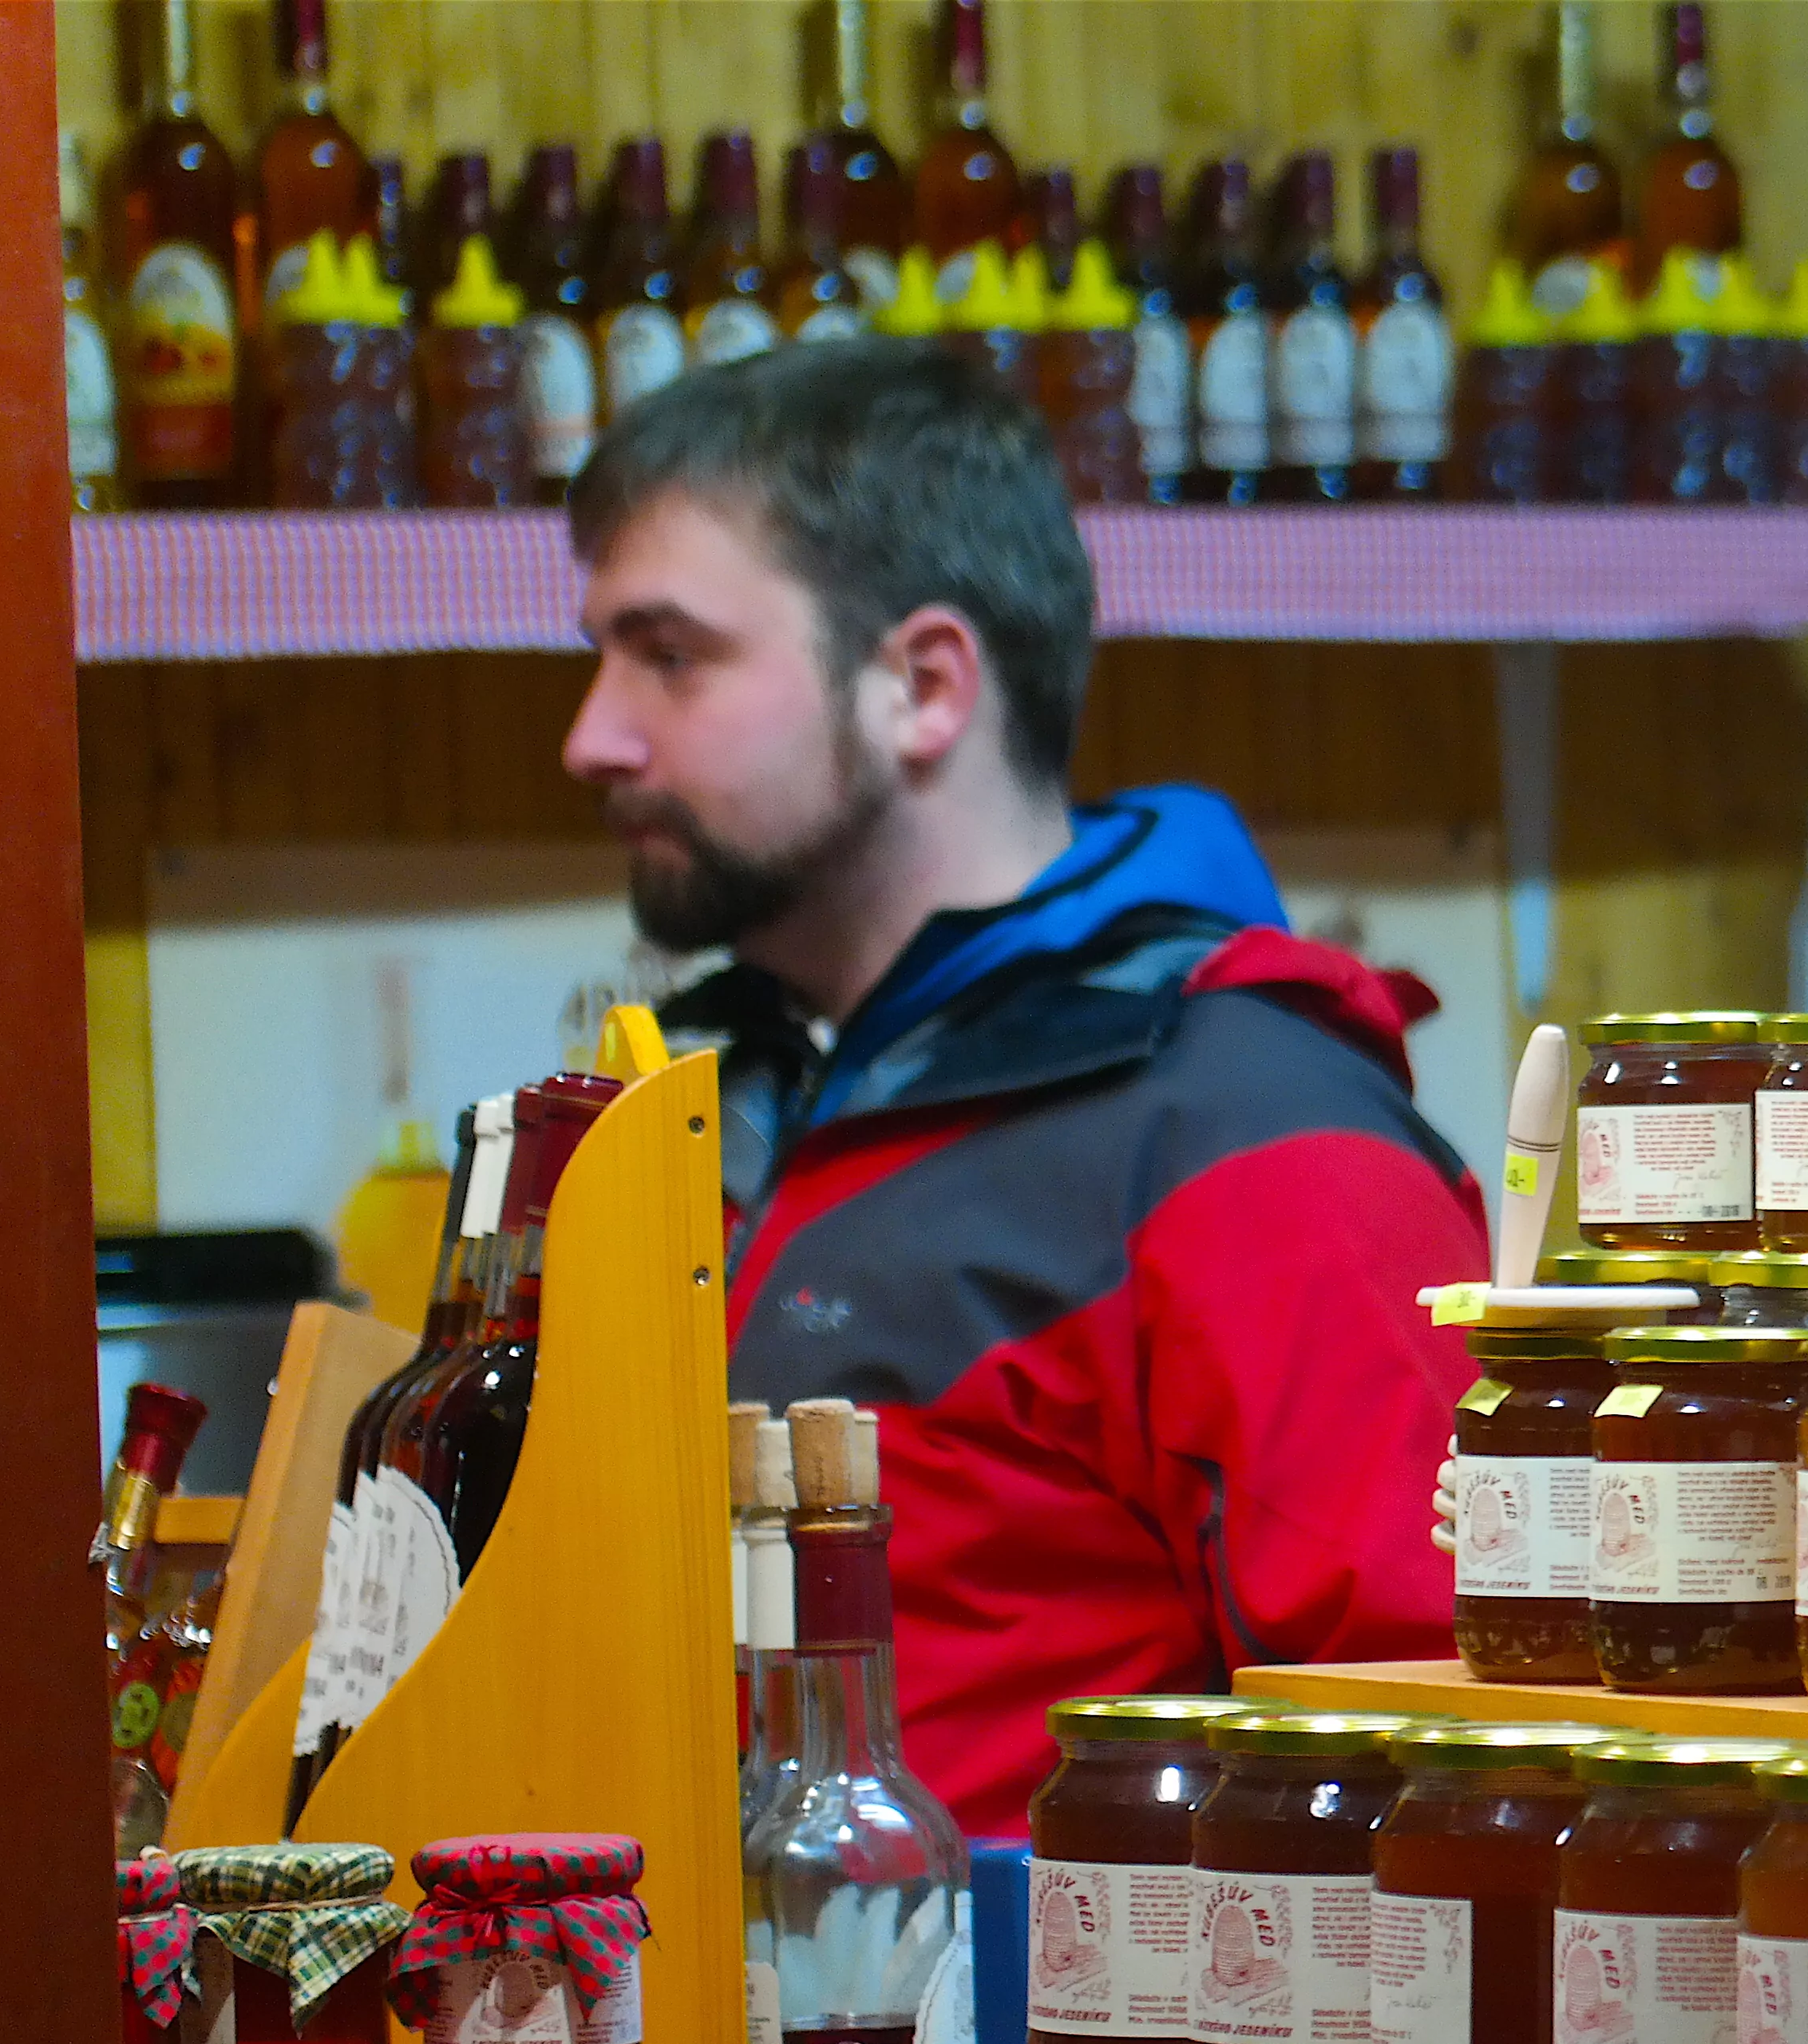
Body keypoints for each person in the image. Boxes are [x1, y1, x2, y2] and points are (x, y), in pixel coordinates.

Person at [560, 338, 1481, 1831]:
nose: (591, 736)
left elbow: (1416, 1779)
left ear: (922, 686)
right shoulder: (688, 1115)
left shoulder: (1255, 1133)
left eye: (670, 656)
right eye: (599, 657)